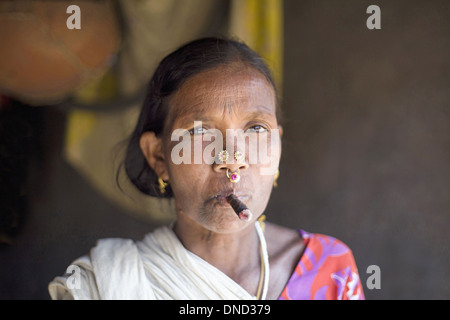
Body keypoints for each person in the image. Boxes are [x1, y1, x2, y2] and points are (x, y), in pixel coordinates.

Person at [48, 37, 365, 300]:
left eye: (256, 129)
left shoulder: (329, 269)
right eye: (200, 132)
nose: (232, 158)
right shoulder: (105, 287)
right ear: (159, 157)